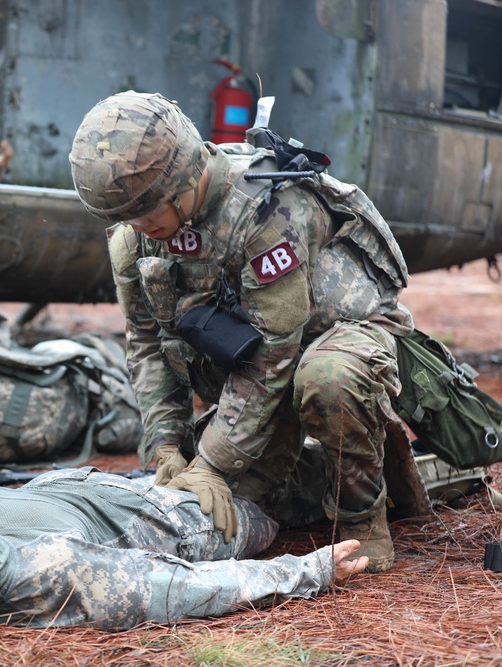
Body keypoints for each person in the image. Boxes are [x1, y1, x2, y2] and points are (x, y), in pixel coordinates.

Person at [67, 92, 415, 573]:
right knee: (232, 508)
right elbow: (147, 344)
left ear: (185, 179)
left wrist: (212, 463)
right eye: (127, 218)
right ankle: (393, 478)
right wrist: (166, 445)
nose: (138, 228)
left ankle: (362, 516)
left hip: (334, 342)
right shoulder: (137, 232)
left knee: (326, 378)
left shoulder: (265, 214)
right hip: (253, 366)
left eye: (147, 214)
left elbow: (276, 352)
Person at [0, 468, 370, 642]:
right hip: (172, 519)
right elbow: (189, 588)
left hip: (76, 487)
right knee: (292, 487)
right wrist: (306, 570)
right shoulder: (58, 573)